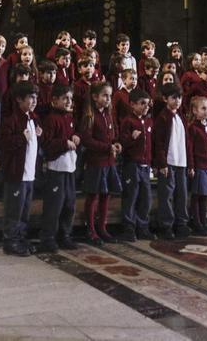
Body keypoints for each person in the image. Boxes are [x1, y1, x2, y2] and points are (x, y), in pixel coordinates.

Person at [0, 81, 41, 257]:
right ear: (19, 99)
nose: (34, 101)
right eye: (30, 97)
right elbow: (4, 144)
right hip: (16, 173)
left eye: (36, 97)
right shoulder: (11, 120)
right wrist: (21, 138)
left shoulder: (32, 118)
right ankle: (10, 241)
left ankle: (21, 238)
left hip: (29, 173)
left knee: (24, 210)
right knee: (14, 210)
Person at [77, 81, 123, 246]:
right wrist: (106, 147)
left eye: (110, 96)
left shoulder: (109, 114)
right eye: (105, 95)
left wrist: (117, 144)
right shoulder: (90, 116)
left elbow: (114, 133)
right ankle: (91, 229)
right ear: (95, 97)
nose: (108, 99)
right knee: (93, 196)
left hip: (109, 162)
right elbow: (87, 140)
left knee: (106, 195)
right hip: (96, 162)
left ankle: (102, 227)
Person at [39, 84, 80, 252]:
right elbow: (47, 144)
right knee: (54, 206)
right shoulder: (51, 119)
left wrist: (76, 137)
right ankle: (48, 237)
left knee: (69, 204)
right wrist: (64, 143)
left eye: (71, 99)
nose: (69, 102)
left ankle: (65, 235)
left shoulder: (69, 118)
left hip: (69, 167)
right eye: (65, 99)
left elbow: (71, 134)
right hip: (56, 168)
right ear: (54, 100)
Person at [152, 83, 191, 240]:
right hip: (168, 162)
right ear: (165, 99)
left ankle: (181, 223)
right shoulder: (162, 117)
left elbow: (186, 142)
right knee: (166, 195)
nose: (177, 101)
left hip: (181, 162)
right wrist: (161, 163)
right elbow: (159, 143)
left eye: (179, 97)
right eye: (174, 98)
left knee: (181, 194)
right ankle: (166, 225)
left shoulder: (181, 117)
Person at [118, 89, 154, 242]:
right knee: (131, 196)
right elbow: (122, 143)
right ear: (132, 104)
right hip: (132, 164)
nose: (146, 107)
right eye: (142, 104)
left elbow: (151, 144)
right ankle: (129, 227)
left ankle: (143, 226)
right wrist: (131, 139)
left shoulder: (149, 121)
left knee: (146, 197)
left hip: (145, 165)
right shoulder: (128, 121)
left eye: (147, 104)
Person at [187, 96, 207, 236]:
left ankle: (204, 222)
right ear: (194, 110)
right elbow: (190, 149)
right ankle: (196, 222)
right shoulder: (193, 128)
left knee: (204, 196)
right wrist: (191, 166)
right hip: (198, 166)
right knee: (197, 195)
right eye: (203, 108)